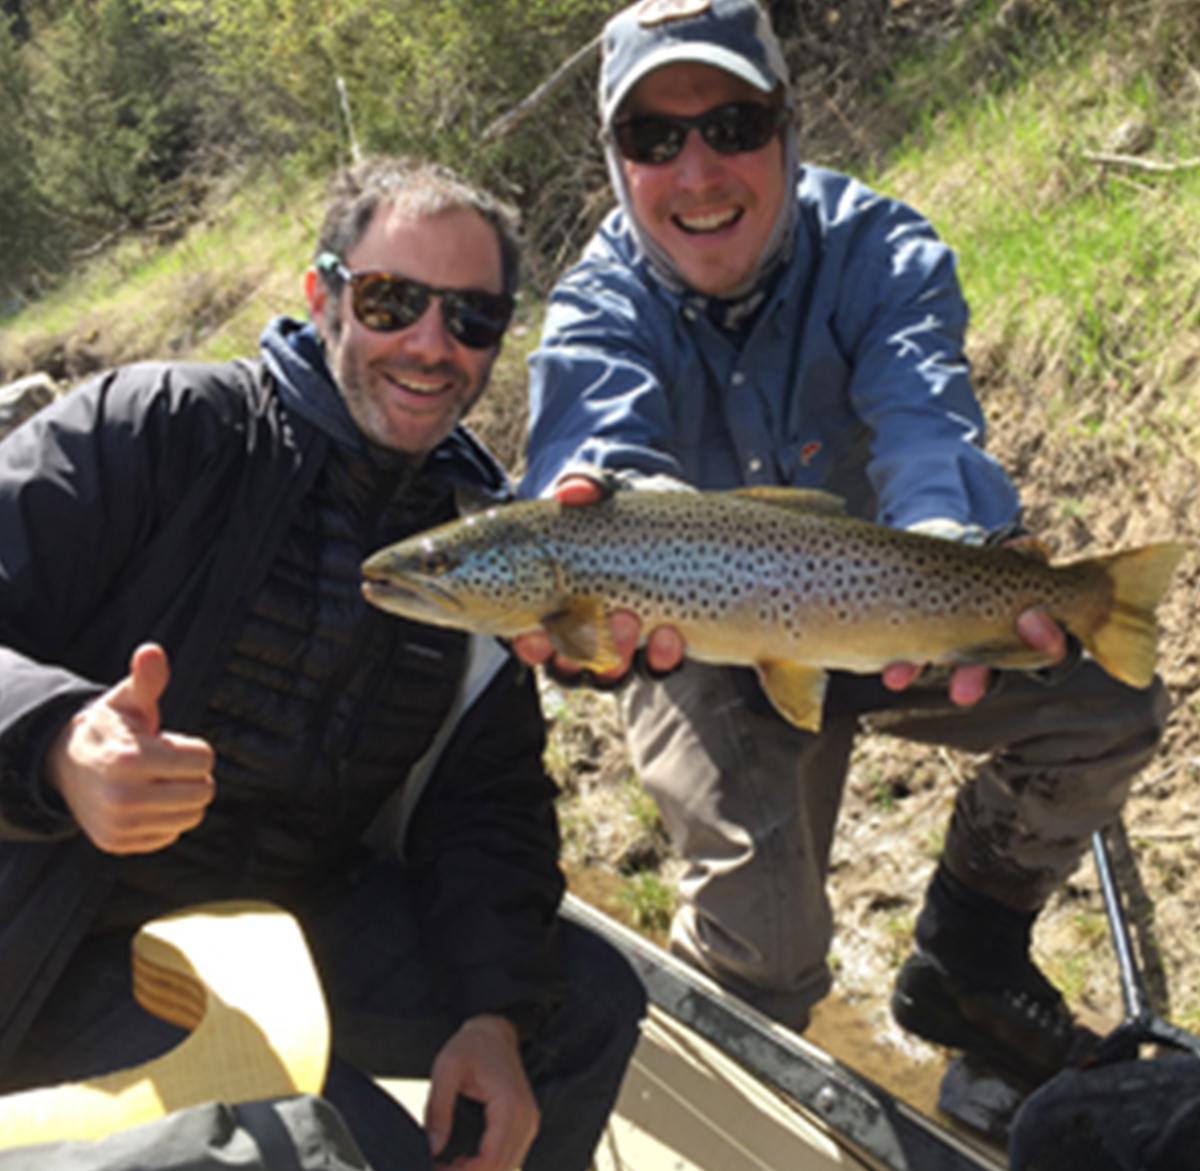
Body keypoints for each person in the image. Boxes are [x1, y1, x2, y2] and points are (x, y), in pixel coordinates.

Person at [514, 0, 1170, 1092]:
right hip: (707, 648)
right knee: (762, 957)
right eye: (653, 138)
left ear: (788, 126)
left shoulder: (882, 250)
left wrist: (955, 543)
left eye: (733, 123)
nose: (697, 170)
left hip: (900, 609)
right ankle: (746, 1093)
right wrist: (618, 522)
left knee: (1109, 704)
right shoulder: (595, 307)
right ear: (615, 160)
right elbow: (600, 449)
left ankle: (969, 963)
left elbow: (925, 417)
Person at [0, 155, 645, 1171]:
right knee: (335, 1143)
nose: (431, 345)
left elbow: (488, 803)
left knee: (583, 1003)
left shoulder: (484, 538)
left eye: (472, 318)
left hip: (291, 915)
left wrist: (493, 1013)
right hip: (54, 928)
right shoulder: (161, 427)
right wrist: (56, 745)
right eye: (394, 300)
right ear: (324, 296)